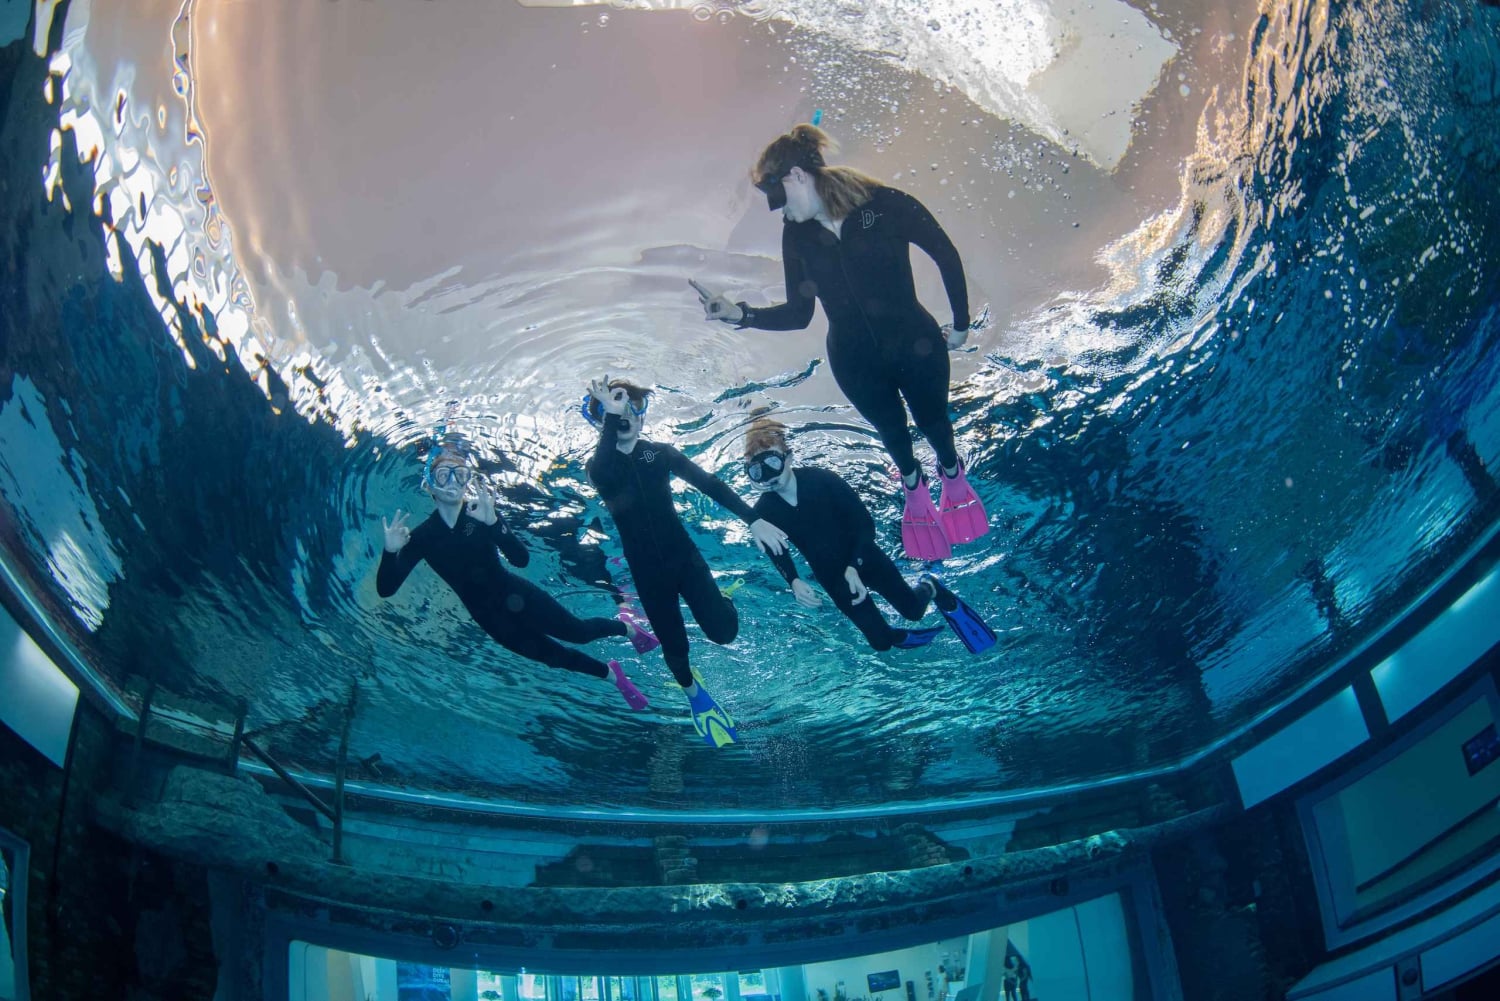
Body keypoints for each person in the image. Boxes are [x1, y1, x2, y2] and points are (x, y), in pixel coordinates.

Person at [693, 123, 988, 561]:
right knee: (892, 434)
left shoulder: (885, 205)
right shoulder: (798, 235)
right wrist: (741, 314)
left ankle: (951, 474)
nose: (781, 213)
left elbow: (944, 254)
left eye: (780, 200)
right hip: (854, 361)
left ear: (796, 176)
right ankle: (914, 490)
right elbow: (800, 313)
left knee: (934, 424)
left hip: (916, 343)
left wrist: (961, 326)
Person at [583, 376, 790, 747]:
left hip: (685, 560)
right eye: (613, 410)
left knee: (724, 633)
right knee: (675, 650)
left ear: (644, 417)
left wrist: (753, 518)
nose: (625, 413)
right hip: (648, 575)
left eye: (633, 406)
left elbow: (710, 483)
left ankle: (722, 600)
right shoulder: (601, 467)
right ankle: (696, 695)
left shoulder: (660, 454)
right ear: (601, 422)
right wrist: (611, 418)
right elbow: (602, 471)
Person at [378, 446, 654, 710]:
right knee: (554, 658)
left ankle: (628, 629)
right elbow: (386, 589)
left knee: (578, 633)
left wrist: (494, 524)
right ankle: (612, 675)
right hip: (490, 618)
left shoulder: (480, 514)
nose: (452, 481)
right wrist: (390, 552)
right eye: (443, 474)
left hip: (518, 595)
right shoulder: (421, 537)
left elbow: (521, 560)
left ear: (467, 482)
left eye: (460, 474)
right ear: (429, 484)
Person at [743, 418, 996, 655]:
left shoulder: (822, 480)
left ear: (788, 457)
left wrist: (854, 566)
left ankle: (931, 586)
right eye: (757, 471)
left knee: (913, 611)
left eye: (772, 464)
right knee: (881, 643)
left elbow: (865, 525)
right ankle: (896, 638)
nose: (768, 476)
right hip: (832, 577)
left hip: (865, 556)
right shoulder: (763, 511)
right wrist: (794, 580)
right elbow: (777, 549)